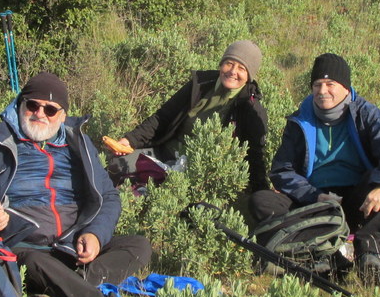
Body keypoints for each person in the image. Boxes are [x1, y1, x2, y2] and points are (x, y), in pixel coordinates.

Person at [0, 72, 152, 297]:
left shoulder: (79, 144)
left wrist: (95, 234)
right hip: (21, 248)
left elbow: (108, 196)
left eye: (50, 109)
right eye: (32, 105)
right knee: (36, 263)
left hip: (72, 246)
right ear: (20, 105)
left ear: (62, 116)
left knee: (138, 246)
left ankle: (60, 290)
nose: (40, 113)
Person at [249, 53, 380, 283]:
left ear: (345, 87)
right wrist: (314, 195)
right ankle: (321, 253)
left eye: (330, 84)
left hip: (357, 199)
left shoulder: (366, 114)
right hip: (316, 200)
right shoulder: (300, 120)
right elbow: (282, 170)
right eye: (317, 85)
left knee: (379, 182)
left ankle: (368, 255)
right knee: (262, 201)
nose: (323, 91)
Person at [104, 40, 270, 192]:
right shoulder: (201, 84)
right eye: (229, 63)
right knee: (115, 165)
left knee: (155, 195)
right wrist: (130, 140)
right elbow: (163, 117)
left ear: (249, 76)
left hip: (196, 173)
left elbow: (254, 156)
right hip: (164, 153)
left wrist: (262, 191)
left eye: (242, 68)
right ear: (221, 64)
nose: (233, 71)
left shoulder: (250, 108)